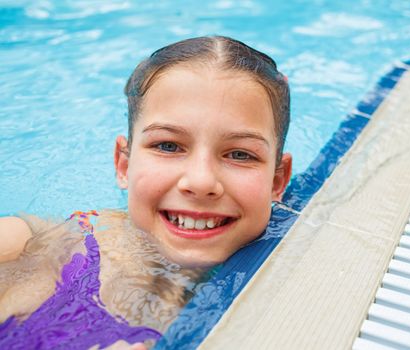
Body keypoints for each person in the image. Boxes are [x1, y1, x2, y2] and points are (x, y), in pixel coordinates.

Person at [0, 35, 292, 349]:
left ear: (278, 181)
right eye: (167, 146)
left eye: (240, 154)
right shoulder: (34, 248)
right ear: (123, 165)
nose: (201, 181)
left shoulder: (286, 281)